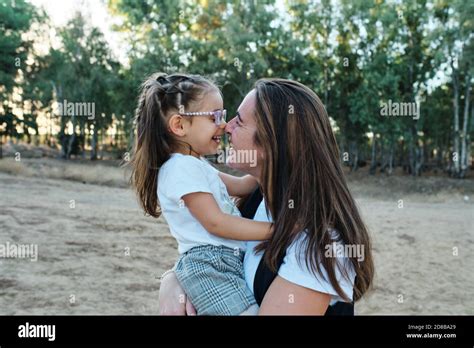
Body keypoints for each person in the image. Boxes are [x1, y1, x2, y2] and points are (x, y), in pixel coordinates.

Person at [158, 78, 374, 315]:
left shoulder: (319, 244)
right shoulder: (256, 202)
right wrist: (171, 279)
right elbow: (210, 251)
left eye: (238, 122)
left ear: (272, 144)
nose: (226, 127)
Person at [129, 72, 273, 315]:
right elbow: (216, 223)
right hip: (210, 265)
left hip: (220, 262)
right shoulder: (181, 168)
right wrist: (278, 231)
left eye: (223, 116)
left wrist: (273, 160)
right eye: (215, 116)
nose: (223, 125)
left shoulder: (193, 165)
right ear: (179, 125)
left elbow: (243, 186)